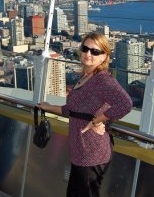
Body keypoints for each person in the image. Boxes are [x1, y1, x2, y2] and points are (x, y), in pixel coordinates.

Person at [39, 32, 132, 197]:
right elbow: (72, 110)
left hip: (92, 151)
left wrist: (98, 120)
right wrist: (48, 107)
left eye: (95, 51)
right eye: (85, 48)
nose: (88, 54)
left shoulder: (103, 80)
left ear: (104, 57)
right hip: (80, 150)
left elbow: (125, 104)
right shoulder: (86, 77)